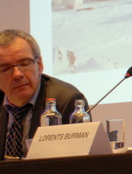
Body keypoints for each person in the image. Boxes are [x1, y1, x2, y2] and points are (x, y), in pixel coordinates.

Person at [0, 29, 88, 160]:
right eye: (5, 68)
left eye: (25, 63)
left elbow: (80, 166)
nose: (17, 74)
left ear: (40, 65)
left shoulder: (67, 101)